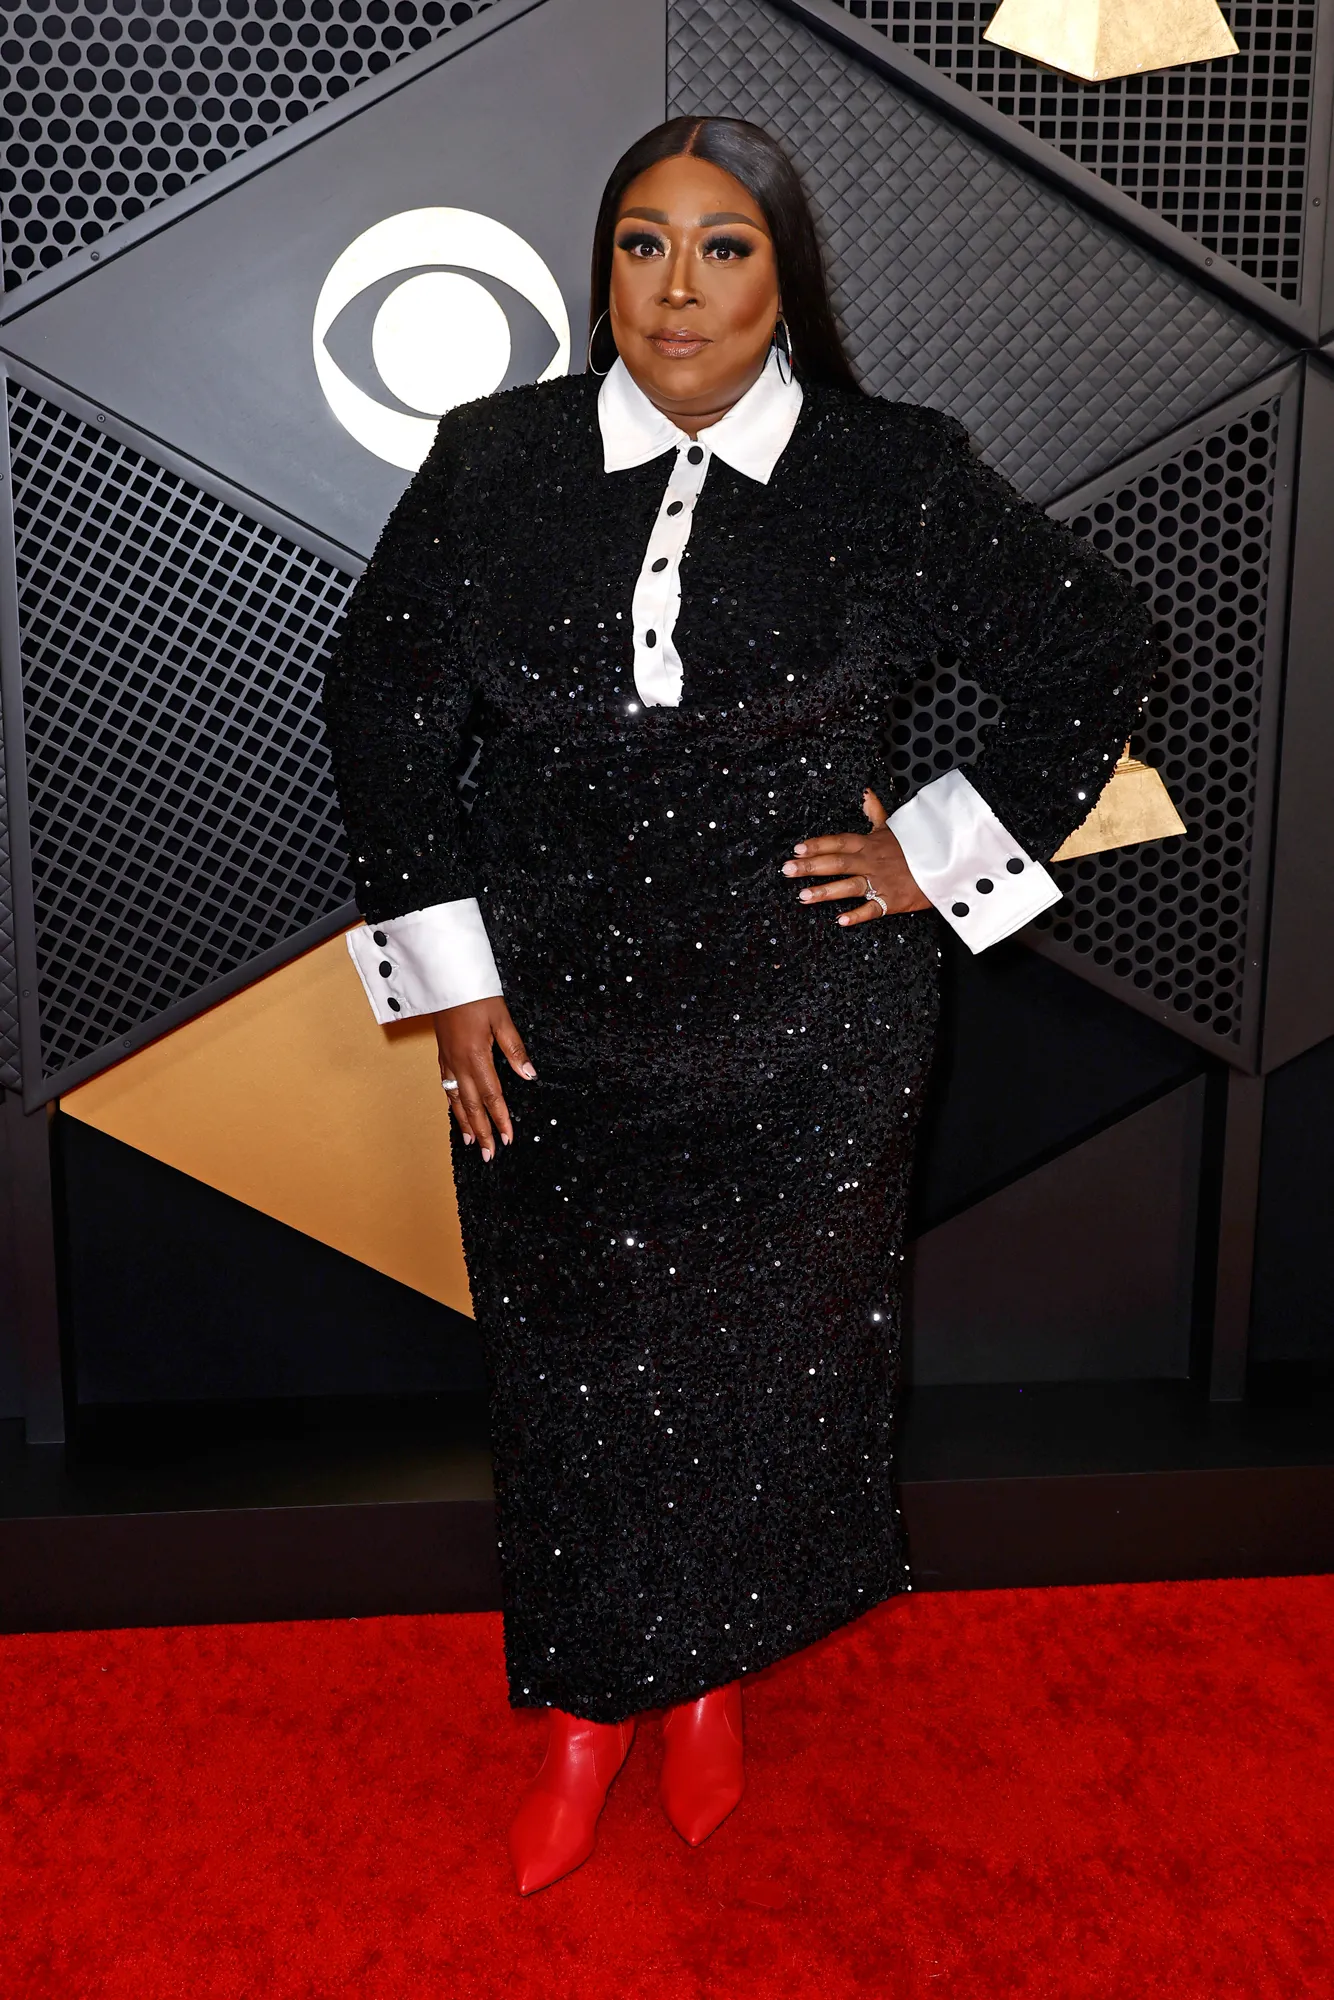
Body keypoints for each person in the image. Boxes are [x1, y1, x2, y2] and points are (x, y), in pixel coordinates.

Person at [322, 114, 1156, 1895]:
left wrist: (936, 852)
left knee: (762, 1374)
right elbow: (381, 706)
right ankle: (584, 1709)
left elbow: (1086, 643)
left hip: (809, 1025)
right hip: (549, 1018)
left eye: (722, 247)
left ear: (784, 275)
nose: (676, 288)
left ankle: (703, 1682)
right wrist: (448, 976)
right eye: (642, 243)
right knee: (570, 1374)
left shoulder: (887, 468)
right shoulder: (495, 458)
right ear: (601, 265)